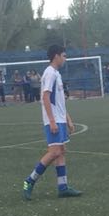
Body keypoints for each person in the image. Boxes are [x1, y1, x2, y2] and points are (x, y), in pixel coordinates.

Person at [22, 44, 81, 200]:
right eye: (64, 55)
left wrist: (68, 119)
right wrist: (52, 121)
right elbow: (45, 97)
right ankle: (29, 181)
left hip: (60, 119)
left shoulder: (56, 74)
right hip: (53, 120)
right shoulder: (49, 73)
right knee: (54, 152)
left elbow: (59, 102)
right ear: (56, 56)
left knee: (61, 151)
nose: (65, 58)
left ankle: (63, 187)